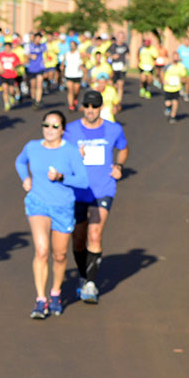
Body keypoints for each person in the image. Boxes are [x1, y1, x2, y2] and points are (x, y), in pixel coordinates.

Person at [15, 110, 89, 318]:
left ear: (63, 130)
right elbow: (20, 162)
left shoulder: (71, 152)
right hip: (38, 203)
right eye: (46, 125)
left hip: (63, 207)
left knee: (60, 255)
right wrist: (25, 178)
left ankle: (55, 292)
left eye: (55, 126)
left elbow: (83, 181)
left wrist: (61, 177)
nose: (49, 130)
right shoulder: (32, 147)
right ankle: (41, 300)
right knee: (41, 250)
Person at [65, 89, 128, 305]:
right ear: (82, 107)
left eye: (95, 106)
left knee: (94, 233)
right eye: (87, 106)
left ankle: (90, 283)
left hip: (102, 189)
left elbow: (123, 148)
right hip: (77, 191)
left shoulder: (113, 129)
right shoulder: (71, 131)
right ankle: (83, 274)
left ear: (101, 107)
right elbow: (59, 153)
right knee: (78, 239)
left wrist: (119, 166)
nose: (90, 110)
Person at [162, 51, 187, 123]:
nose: (176, 58)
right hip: (168, 87)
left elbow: (183, 76)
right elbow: (162, 72)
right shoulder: (168, 66)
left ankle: (173, 116)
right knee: (168, 103)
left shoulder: (181, 66)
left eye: (177, 56)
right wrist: (163, 80)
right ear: (172, 57)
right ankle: (168, 107)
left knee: (175, 101)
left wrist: (182, 80)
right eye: (174, 56)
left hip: (176, 87)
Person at [0, 41, 21, 111]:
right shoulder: (1, 55)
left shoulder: (14, 55)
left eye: (8, 48)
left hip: (12, 75)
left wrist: (15, 67)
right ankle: (6, 104)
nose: (6, 49)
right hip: (3, 75)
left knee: (11, 90)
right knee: (5, 89)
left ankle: (12, 97)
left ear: (10, 48)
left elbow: (18, 63)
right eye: (5, 48)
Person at [107, 31, 129, 103]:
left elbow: (128, 53)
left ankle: (118, 102)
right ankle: (114, 99)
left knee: (120, 85)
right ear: (117, 37)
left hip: (122, 67)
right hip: (114, 67)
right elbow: (106, 54)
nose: (121, 39)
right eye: (119, 37)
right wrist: (112, 56)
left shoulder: (125, 46)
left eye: (122, 37)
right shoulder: (112, 46)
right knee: (114, 85)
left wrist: (127, 58)